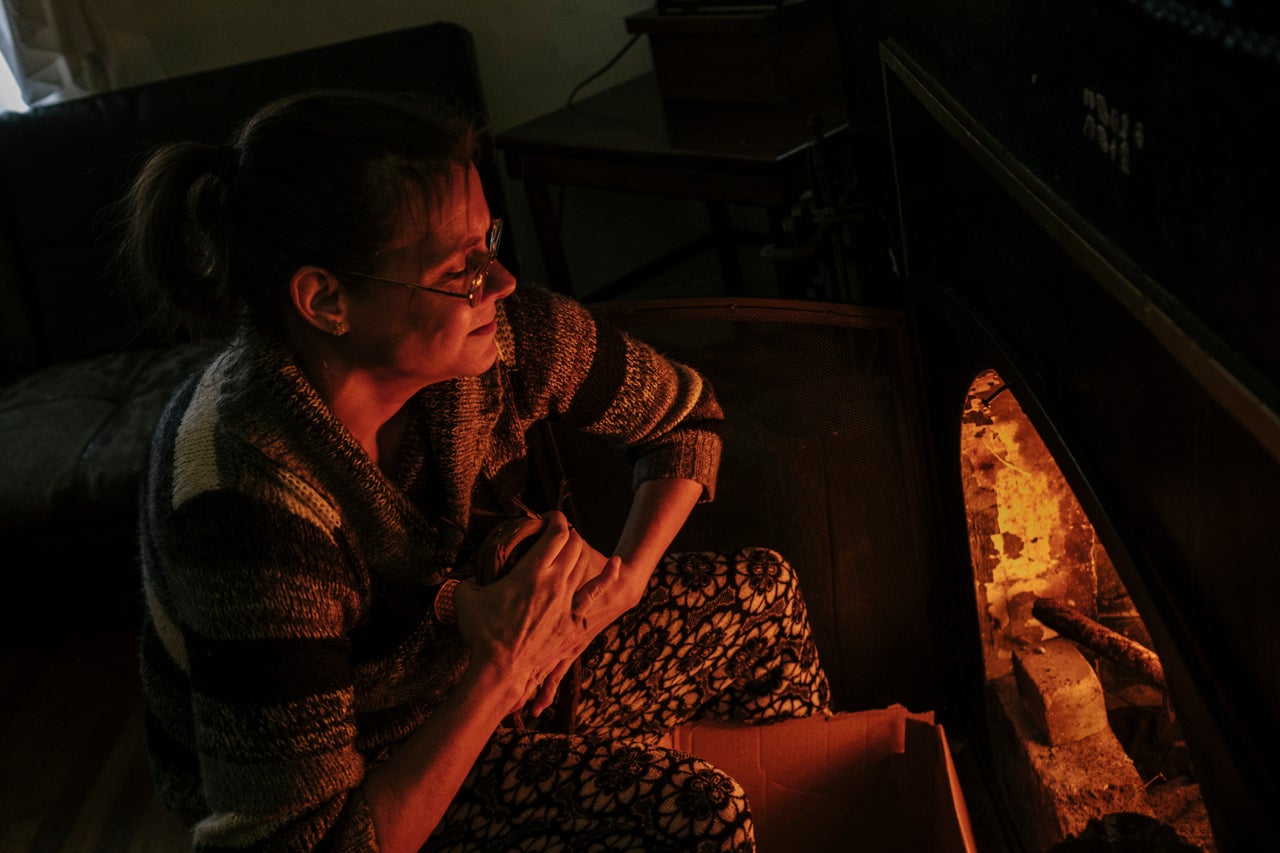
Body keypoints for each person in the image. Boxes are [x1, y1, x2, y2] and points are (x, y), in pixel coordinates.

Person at [126, 89, 830, 852]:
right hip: (377, 775)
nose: (499, 281)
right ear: (327, 299)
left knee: (764, 595)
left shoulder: (501, 337)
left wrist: (619, 582)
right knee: (701, 813)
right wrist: (498, 671)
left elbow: (686, 417)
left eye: (487, 239)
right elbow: (310, 843)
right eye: (461, 266)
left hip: (489, 674)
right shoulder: (246, 504)